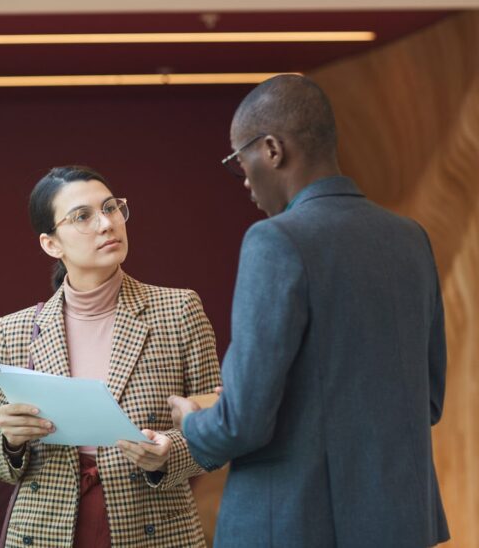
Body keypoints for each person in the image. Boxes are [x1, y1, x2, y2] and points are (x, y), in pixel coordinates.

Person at [169, 74, 449, 547]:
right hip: (402, 524)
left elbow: (242, 422)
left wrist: (192, 422)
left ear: (272, 150)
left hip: (298, 526)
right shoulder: (410, 239)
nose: (244, 182)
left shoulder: (275, 241)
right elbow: (428, 401)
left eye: (240, 162)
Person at [0, 166, 221, 547]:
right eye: (83, 216)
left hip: (152, 529)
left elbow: (219, 432)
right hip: (45, 530)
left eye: (111, 208)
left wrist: (168, 452)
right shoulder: (14, 329)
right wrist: (11, 441)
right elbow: (3, 466)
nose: (106, 223)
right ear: (51, 244)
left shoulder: (178, 310)